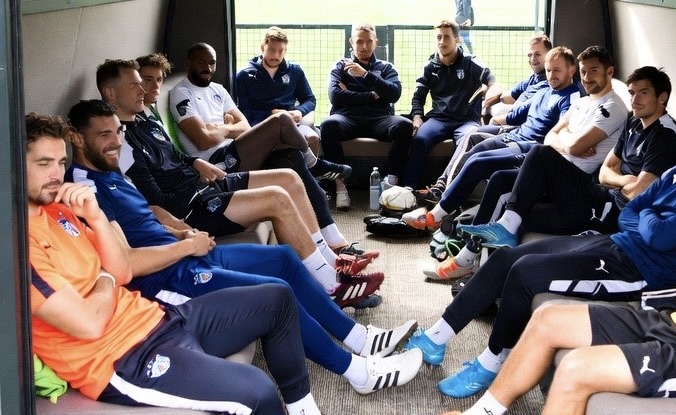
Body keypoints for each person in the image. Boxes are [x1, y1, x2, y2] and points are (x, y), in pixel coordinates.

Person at [64, 100, 425, 395]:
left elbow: (149, 209)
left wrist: (180, 230)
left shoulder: (107, 169)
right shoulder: (83, 191)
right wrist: (186, 248)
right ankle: (357, 371)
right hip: (169, 281)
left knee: (284, 258)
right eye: (104, 135)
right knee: (277, 293)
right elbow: (123, 263)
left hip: (185, 253)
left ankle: (360, 339)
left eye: (118, 132)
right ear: (76, 139)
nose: (115, 142)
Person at [405, 98, 676, 399]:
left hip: (642, 274)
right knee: (508, 257)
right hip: (617, 243)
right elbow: (631, 213)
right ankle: (436, 339)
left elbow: (658, 237)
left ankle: (491, 362)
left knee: (525, 273)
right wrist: (652, 218)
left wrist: (650, 218)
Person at [26, 112, 320, 414]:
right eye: (43, 163)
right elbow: (89, 323)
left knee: (277, 298)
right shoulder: (20, 249)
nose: (56, 175)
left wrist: (97, 216)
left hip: (159, 319)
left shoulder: (60, 212)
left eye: (61, 163)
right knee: (258, 391)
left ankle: (302, 408)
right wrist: (106, 277)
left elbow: (122, 269)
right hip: (122, 359)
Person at [113, 58, 377, 294]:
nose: (143, 89)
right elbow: (158, 201)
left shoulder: (145, 121)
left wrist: (195, 163)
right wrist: (198, 179)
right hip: (193, 207)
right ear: (110, 93)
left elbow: (175, 156)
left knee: (288, 176)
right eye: (135, 84)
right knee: (277, 197)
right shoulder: (121, 144)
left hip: (205, 183)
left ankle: (331, 262)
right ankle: (332, 286)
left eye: (144, 82)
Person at [443, 66, 676, 280]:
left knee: (540, 155)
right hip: (601, 193)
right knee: (518, 208)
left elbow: (640, 191)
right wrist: (624, 179)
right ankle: (479, 265)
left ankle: (483, 252)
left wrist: (620, 182)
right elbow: (606, 171)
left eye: (643, 93)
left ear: (662, 97)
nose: (634, 100)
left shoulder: (666, 134)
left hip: (610, 213)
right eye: (632, 93)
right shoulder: (634, 122)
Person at [404, 46, 622, 237]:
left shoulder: (605, 105)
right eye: (584, 71)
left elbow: (569, 145)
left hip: (562, 174)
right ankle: (467, 247)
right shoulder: (582, 102)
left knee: (490, 159)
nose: (586, 77)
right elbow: (556, 138)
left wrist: (565, 140)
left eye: (593, 71)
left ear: (609, 72)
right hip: (545, 157)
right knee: (492, 170)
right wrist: (566, 140)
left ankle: (441, 215)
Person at [169, 42, 349, 221]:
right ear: (189, 63)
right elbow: (203, 140)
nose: (208, 68)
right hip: (217, 161)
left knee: (293, 156)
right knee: (282, 120)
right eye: (201, 62)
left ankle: (331, 238)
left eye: (212, 62)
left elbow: (244, 127)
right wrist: (229, 130)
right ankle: (315, 164)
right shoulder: (182, 93)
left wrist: (220, 128)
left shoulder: (218, 89)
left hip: (235, 149)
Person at [417, 35, 553, 204]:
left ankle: (443, 192)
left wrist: (499, 119)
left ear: (550, 55)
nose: (533, 59)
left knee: (472, 137)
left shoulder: (549, 84)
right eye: (529, 55)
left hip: (519, 132)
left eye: (538, 54)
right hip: (513, 127)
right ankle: (443, 188)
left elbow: (523, 113)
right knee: (471, 135)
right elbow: (505, 96)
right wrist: (487, 96)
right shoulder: (533, 79)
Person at [319, 23, 414, 209]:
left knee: (404, 125)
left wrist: (365, 76)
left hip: (379, 119)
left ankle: (391, 186)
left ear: (376, 42)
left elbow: (394, 93)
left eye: (368, 41)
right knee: (328, 125)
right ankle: (340, 186)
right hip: (347, 118)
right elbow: (335, 96)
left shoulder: (386, 68)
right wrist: (373, 95)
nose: (364, 46)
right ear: (351, 42)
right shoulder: (340, 66)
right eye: (359, 41)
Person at [406, 19, 495, 189]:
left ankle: (450, 193)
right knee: (419, 140)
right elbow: (418, 97)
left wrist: (488, 96)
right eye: (438, 37)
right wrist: (417, 117)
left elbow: (492, 82)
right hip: (439, 119)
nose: (441, 42)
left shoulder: (470, 62)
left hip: (467, 120)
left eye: (446, 37)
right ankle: (408, 191)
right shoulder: (429, 66)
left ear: (457, 39)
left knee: (466, 144)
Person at [235, 26, 321, 155]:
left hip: (292, 125)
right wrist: (271, 115)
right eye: (271, 50)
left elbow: (310, 99)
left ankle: (312, 173)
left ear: (286, 50)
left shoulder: (295, 71)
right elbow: (242, 111)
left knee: (313, 139)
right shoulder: (245, 74)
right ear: (262, 47)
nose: (276, 55)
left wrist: (299, 111)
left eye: (280, 51)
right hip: (260, 126)